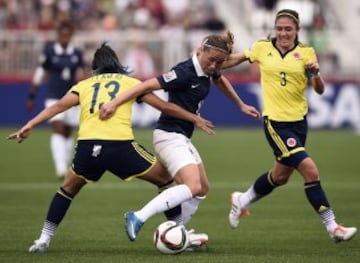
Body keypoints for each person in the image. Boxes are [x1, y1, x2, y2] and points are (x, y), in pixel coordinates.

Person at [7, 43, 215, 253]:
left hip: (88, 148)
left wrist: (29, 125)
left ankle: (43, 240)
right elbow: (165, 107)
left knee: (67, 190)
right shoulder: (130, 83)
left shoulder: (85, 84)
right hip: (120, 147)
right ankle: (177, 232)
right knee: (165, 179)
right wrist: (194, 118)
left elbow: (57, 107)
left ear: (94, 66)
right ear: (117, 63)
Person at [99, 30, 260, 242]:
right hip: (168, 136)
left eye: (218, 63)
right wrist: (113, 103)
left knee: (202, 188)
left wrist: (240, 105)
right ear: (200, 50)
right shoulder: (183, 72)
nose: (213, 66)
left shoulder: (209, 67)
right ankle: (137, 217)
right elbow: (144, 86)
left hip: (181, 137)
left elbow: (220, 79)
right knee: (192, 186)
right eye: (211, 60)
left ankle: (176, 233)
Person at [222, 9, 357, 243]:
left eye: (288, 29)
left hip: (299, 123)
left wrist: (316, 75)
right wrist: (215, 59)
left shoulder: (306, 52)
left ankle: (241, 200)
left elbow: (320, 89)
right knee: (310, 170)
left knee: (280, 176)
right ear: (275, 29)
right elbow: (233, 60)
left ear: (297, 31)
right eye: (280, 28)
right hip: (275, 123)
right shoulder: (262, 47)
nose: (283, 33)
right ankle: (333, 227)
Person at [27, 20, 86, 180]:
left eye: (67, 35)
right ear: (58, 35)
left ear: (71, 36)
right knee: (58, 127)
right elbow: (40, 73)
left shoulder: (77, 54)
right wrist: (32, 95)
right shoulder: (50, 52)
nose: (64, 38)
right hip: (54, 97)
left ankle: (65, 165)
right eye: (62, 35)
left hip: (72, 97)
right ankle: (60, 167)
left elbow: (83, 75)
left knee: (67, 131)